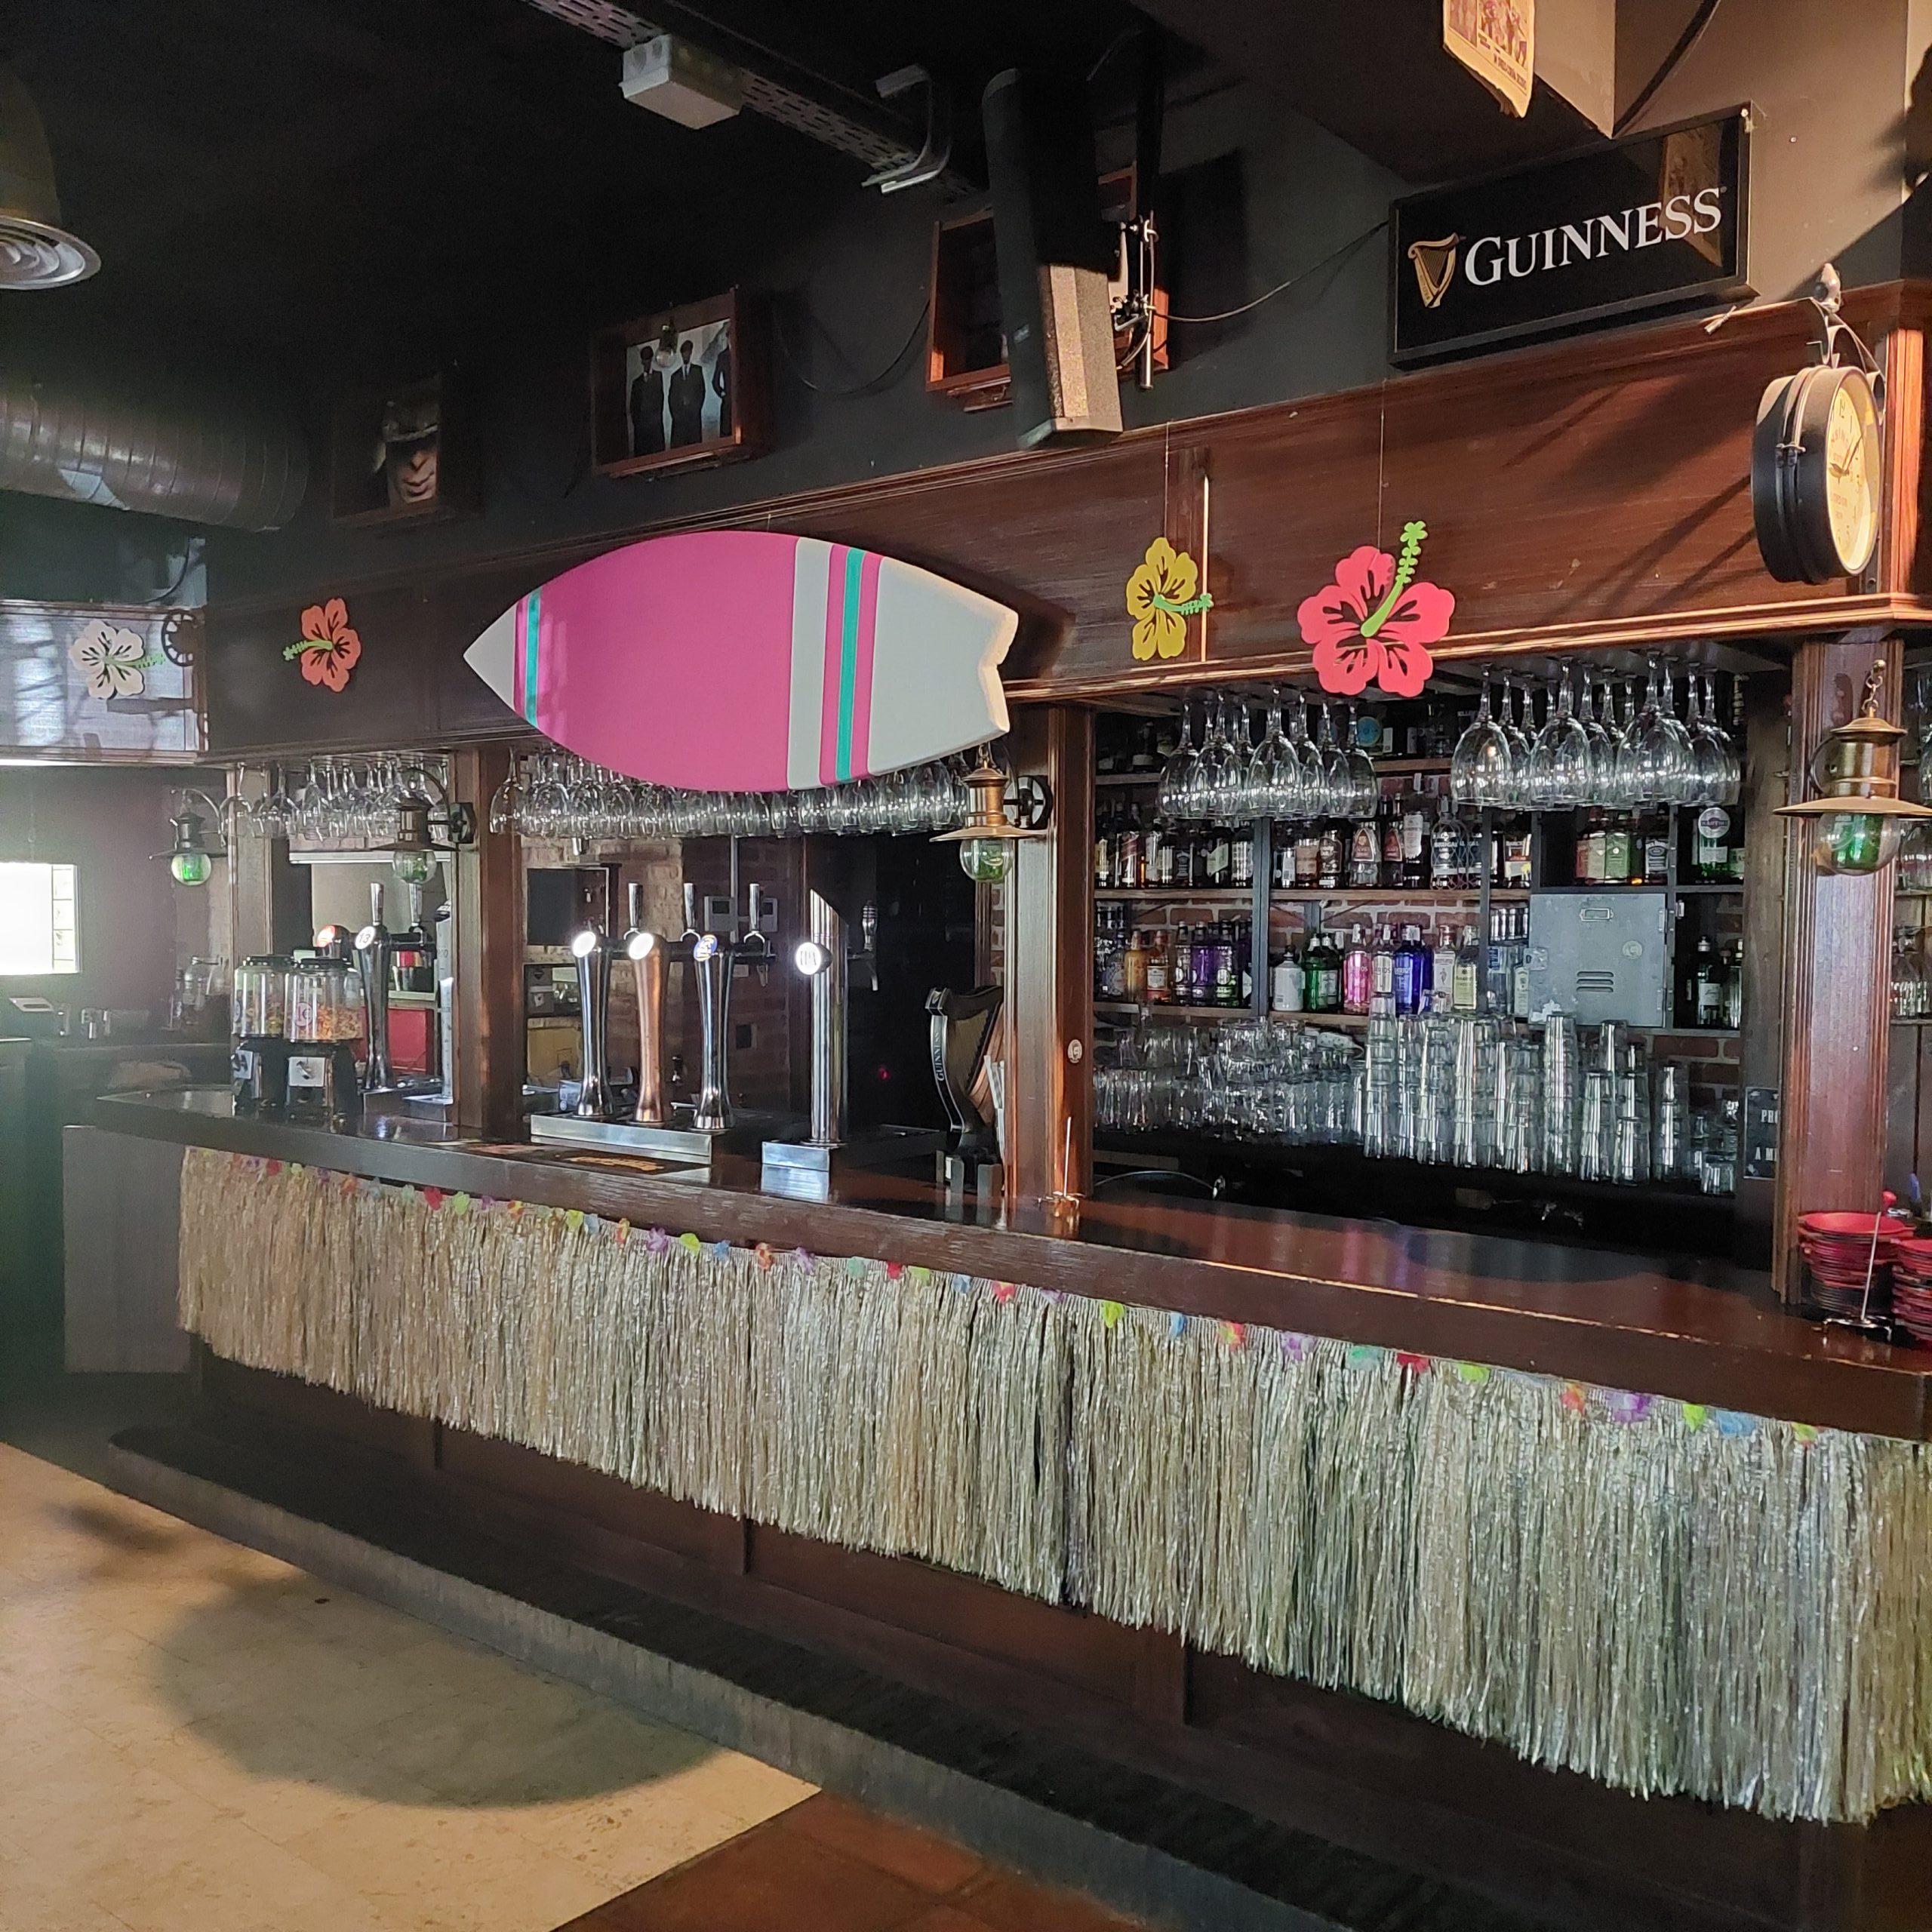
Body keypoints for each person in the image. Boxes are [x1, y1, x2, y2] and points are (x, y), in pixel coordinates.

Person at [667, 337, 706, 448]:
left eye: (688, 352)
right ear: (681, 354)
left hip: (693, 420)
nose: (686, 355)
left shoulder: (697, 371)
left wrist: (695, 409)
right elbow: (672, 399)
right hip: (680, 422)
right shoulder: (675, 376)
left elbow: (701, 392)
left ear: (691, 353)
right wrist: (676, 416)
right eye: (684, 353)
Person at [629, 349, 666, 456]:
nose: (647, 363)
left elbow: (660, 400)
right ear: (642, 361)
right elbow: (633, 406)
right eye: (645, 360)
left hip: (655, 428)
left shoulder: (658, 377)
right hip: (642, 430)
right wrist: (638, 424)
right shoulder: (637, 383)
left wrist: (656, 420)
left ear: (651, 359)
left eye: (648, 359)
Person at [712, 337, 732, 438]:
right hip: (728, 401)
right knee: (726, 432)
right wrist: (722, 393)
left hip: (741, 402)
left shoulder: (740, 354)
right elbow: (715, 381)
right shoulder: (723, 356)